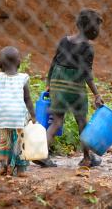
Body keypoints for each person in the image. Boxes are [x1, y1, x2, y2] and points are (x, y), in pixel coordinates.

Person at [35, 9, 104, 168]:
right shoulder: (87, 48)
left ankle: (41, 154)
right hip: (75, 87)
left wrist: (49, 82)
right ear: (93, 30)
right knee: (82, 122)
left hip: (58, 83)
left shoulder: (64, 41)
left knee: (56, 122)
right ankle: (87, 158)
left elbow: (54, 62)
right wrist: (96, 94)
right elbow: (87, 74)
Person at [0, 46, 36, 177]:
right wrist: (33, 115)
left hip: (2, 118)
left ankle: (3, 167)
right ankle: (20, 170)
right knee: (20, 143)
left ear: (0, 64)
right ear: (19, 63)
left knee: (4, 143)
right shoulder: (23, 78)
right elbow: (27, 99)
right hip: (18, 118)